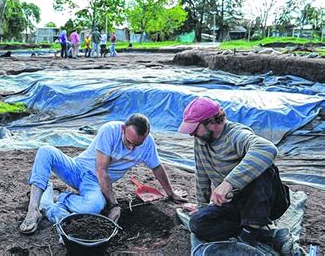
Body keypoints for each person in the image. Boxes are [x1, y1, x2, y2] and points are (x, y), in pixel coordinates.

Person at [19, 114, 187, 235]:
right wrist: (114, 205)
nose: (131, 148)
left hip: (93, 184)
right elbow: (101, 170)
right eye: (128, 142)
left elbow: (157, 167)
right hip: (77, 169)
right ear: (123, 129)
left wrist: (171, 193)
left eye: (137, 145)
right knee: (45, 151)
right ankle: (33, 210)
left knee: (93, 207)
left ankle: (59, 197)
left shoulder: (147, 144)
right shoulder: (110, 130)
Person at [178, 97, 291, 252]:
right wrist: (202, 207)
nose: (192, 134)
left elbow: (268, 149)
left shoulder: (236, 135)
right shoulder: (201, 140)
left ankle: (250, 232)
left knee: (264, 169)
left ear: (211, 121)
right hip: (234, 203)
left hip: (263, 203)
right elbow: (201, 173)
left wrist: (228, 183)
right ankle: (265, 235)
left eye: (195, 129)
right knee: (198, 223)